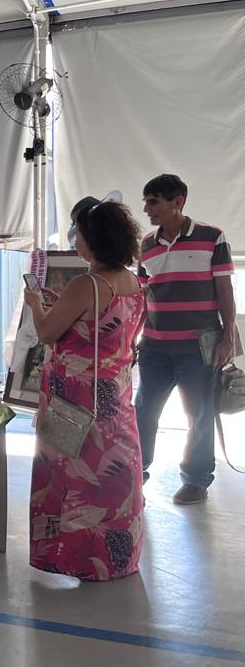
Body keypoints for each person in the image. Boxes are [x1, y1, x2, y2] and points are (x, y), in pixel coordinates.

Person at [23, 200, 145, 580]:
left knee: (70, 478)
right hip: (115, 399)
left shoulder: (86, 284)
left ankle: (74, 559)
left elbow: (47, 332)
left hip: (74, 401)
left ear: (93, 240)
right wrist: (61, 307)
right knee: (113, 478)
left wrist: (35, 304)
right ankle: (117, 560)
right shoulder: (134, 282)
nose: (75, 240)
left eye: (78, 233)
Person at [133, 174, 237, 505]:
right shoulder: (146, 245)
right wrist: (132, 339)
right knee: (144, 413)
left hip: (198, 349)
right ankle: (135, 475)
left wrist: (229, 338)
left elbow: (225, 292)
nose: (147, 209)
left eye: (153, 202)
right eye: (146, 202)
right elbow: (142, 297)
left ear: (178, 202)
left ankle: (196, 480)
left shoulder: (212, 237)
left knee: (200, 414)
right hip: (154, 347)